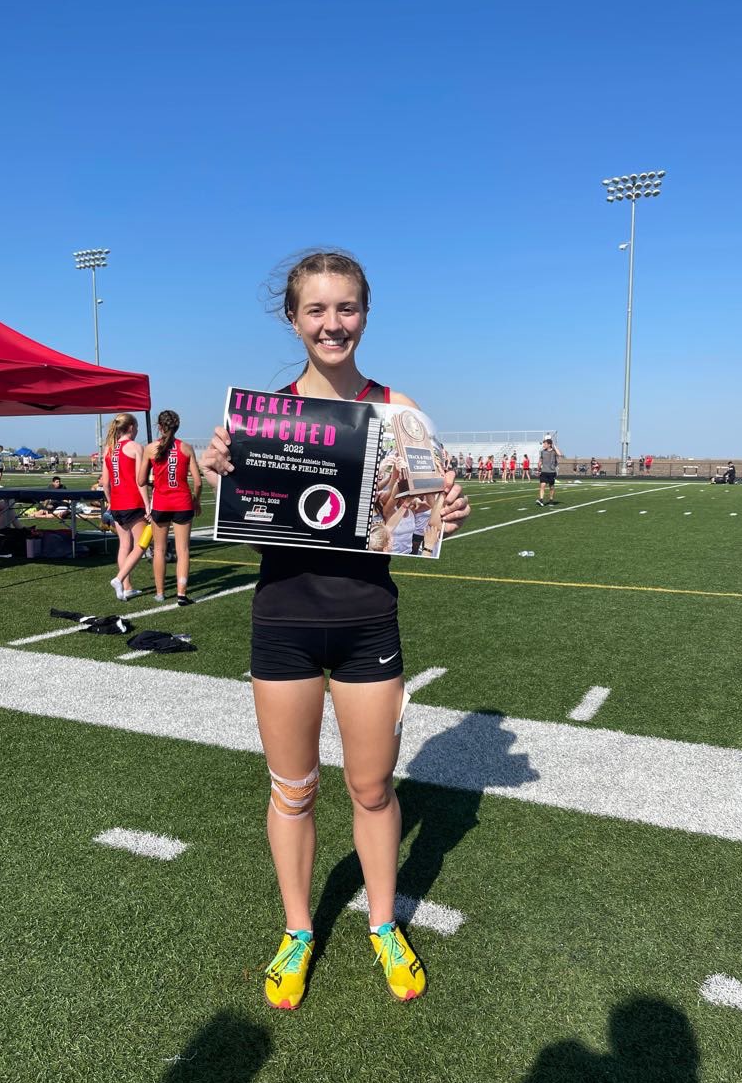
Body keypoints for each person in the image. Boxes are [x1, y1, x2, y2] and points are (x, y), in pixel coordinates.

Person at [200, 251, 469, 1010]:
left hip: (365, 625)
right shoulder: (260, 416)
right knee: (293, 790)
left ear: (365, 313)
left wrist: (442, 512)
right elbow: (236, 512)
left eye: (345, 308)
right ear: (294, 318)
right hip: (282, 622)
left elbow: (415, 522)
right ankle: (297, 930)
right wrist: (214, 470)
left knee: (373, 787)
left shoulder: (397, 409)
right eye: (316, 310)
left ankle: (383, 922)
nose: (332, 323)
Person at [138, 409, 202, 605]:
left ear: (159, 427)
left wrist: (155, 481)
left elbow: (140, 480)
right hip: (183, 503)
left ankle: (160, 592)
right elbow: (198, 482)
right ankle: (182, 594)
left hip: (162, 503)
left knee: (159, 549)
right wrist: (196, 501)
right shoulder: (187, 448)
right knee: (183, 550)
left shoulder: (150, 448)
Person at [100, 413, 151, 600]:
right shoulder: (135, 447)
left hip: (117, 505)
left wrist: (110, 501)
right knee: (141, 545)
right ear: (130, 427)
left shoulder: (108, 449)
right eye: (136, 428)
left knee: (124, 545)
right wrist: (147, 504)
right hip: (133, 503)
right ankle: (120, 579)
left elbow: (105, 482)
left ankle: (126, 587)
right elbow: (141, 481)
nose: (137, 431)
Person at [536, 435, 562, 505]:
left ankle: (551, 499)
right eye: (543, 443)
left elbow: (560, 454)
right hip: (544, 471)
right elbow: (540, 461)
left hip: (552, 472)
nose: (544, 445)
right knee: (542, 485)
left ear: (549, 445)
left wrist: (554, 445)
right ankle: (541, 499)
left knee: (551, 487)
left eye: (545, 444)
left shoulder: (554, 451)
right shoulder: (542, 452)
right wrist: (538, 469)